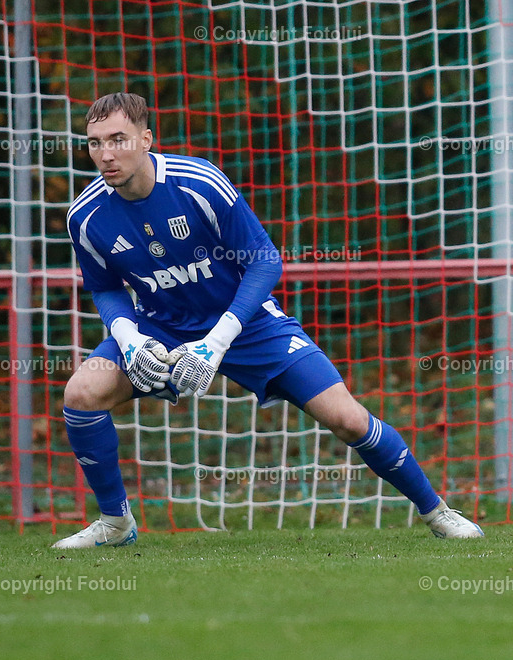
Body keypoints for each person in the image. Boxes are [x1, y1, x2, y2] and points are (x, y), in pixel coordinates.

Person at [54, 92, 483, 548]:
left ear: (146, 140)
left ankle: (437, 512)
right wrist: (129, 338)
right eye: (95, 142)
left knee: (348, 419)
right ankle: (115, 524)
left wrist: (217, 340)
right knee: (82, 393)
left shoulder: (198, 184)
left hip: (248, 324)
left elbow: (264, 262)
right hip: (161, 329)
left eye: (118, 139)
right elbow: (104, 287)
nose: (105, 154)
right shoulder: (85, 215)